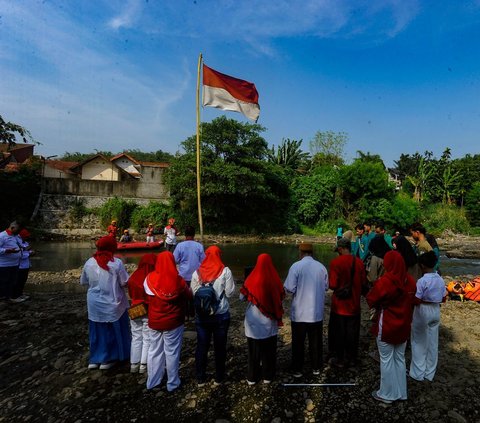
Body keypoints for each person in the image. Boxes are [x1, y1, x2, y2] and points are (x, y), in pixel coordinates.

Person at [366, 250, 416, 404]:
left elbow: (371, 299)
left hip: (387, 324)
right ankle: (400, 392)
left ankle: (387, 394)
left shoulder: (386, 280)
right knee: (399, 358)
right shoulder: (410, 280)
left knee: (386, 359)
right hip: (404, 325)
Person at [80, 236, 131, 370]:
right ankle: (110, 358)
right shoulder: (116, 263)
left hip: (94, 303)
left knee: (97, 330)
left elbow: (84, 281)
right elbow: (124, 282)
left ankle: (95, 359)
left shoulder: (89, 262)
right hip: (112, 303)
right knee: (113, 330)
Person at [144, 251, 192, 392]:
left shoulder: (149, 279)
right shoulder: (179, 281)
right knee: (172, 352)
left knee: (154, 351)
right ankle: (172, 383)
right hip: (174, 322)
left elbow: (147, 298)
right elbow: (189, 295)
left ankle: (153, 382)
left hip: (155, 320)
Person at [191, 246, 235, 386]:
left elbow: (194, 293)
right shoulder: (225, 271)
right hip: (220, 315)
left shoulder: (196, 272)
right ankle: (219, 377)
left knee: (202, 346)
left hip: (202, 316)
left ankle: (200, 378)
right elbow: (229, 293)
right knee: (220, 347)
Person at [284, 243, 328, 377]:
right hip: (316, 312)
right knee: (315, 342)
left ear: (300, 252)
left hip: (300, 313)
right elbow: (326, 287)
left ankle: (297, 369)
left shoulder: (296, 266)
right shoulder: (321, 267)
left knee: (298, 342)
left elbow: (290, 288)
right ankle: (316, 367)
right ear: (312, 253)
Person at [240, 253, 285, 385]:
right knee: (269, 350)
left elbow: (241, 297)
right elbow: (281, 297)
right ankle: (268, 376)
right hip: (268, 320)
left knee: (253, 350)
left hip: (253, 321)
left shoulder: (251, 279)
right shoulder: (275, 279)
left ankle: (252, 377)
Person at [328, 237, 367, 368]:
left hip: (339, 306)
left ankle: (340, 359)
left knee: (339, 333)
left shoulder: (335, 263)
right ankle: (352, 358)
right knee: (352, 333)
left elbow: (333, 285)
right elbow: (363, 283)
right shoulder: (359, 263)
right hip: (354, 304)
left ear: (340, 248)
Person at [409, 251, 447, 382]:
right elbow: (443, 298)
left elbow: (416, 299)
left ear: (422, 265)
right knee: (432, 342)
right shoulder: (440, 279)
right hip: (435, 310)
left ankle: (417, 373)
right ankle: (429, 373)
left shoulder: (422, 281)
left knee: (419, 341)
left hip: (422, 310)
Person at [127, 253, 156, 374]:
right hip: (147, 308)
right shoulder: (152, 277)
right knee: (147, 337)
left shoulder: (134, 276)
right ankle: (144, 364)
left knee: (136, 337)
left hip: (135, 308)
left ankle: (134, 364)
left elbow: (130, 293)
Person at [0, 221, 23, 303]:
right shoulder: (2, 236)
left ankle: (9, 297)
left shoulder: (14, 236)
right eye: (18, 229)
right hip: (4, 265)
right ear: (12, 228)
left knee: (12, 282)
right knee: (4, 282)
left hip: (15, 263)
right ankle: (3, 298)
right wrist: (6, 250)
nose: (19, 231)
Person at [14, 229, 35, 301]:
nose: (27, 238)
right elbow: (20, 255)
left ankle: (20, 294)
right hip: (20, 266)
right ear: (21, 237)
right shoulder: (17, 244)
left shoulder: (26, 243)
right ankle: (16, 295)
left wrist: (32, 252)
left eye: (27, 236)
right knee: (18, 281)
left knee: (23, 281)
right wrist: (29, 253)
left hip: (26, 265)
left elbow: (30, 251)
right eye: (25, 236)